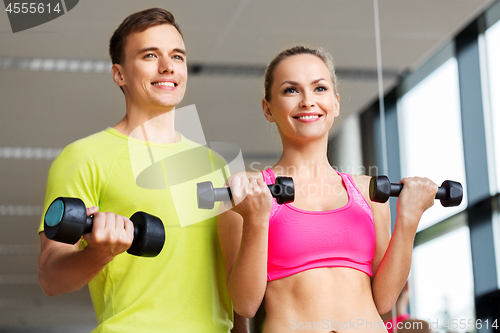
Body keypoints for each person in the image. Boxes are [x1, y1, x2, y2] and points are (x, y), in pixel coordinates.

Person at [38, 8, 246, 333]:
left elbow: (234, 284)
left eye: (177, 56)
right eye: (150, 55)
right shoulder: (83, 156)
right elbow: (51, 277)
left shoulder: (217, 164)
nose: (168, 67)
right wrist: (99, 254)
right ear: (119, 74)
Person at [217, 46, 439, 333]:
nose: (308, 101)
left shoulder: (368, 191)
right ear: (268, 108)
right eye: (290, 90)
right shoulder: (248, 190)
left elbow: (384, 300)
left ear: (335, 104)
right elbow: (244, 304)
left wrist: (408, 220)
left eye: (319, 88)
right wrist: (256, 220)